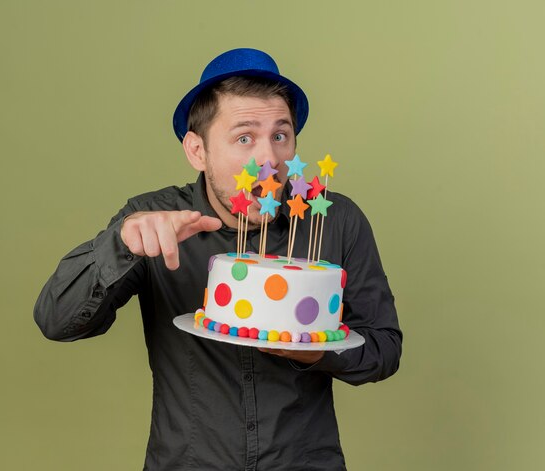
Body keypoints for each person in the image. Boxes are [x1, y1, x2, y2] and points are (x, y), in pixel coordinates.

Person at [34, 48, 402, 470]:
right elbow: (55, 321)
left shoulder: (335, 219)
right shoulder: (152, 221)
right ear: (197, 151)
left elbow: (384, 349)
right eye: (245, 138)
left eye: (280, 135)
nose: (269, 160)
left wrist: (316, 352)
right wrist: (119, 244)